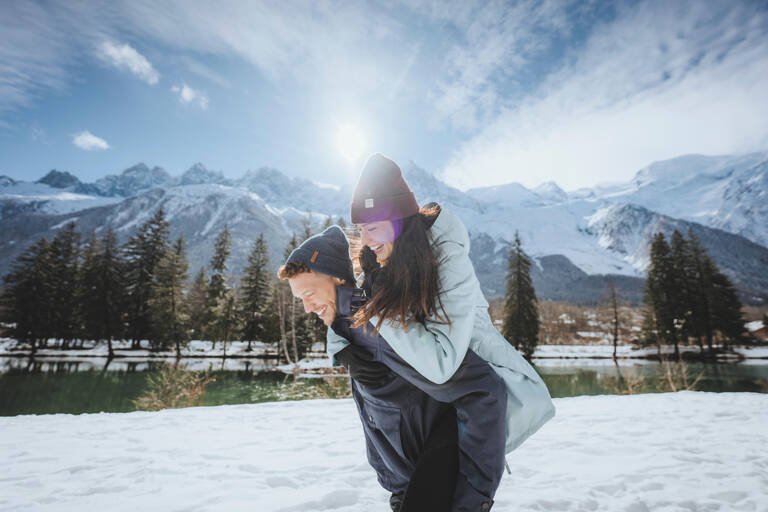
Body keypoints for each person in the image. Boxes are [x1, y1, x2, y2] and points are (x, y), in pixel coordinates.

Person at [326, 153, 557, 507]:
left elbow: (441, 363)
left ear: (399, 220)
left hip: (466, 406)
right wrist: (344, 348)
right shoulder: (374, 264)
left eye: (373, 226)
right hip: (414, 416)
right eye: (361, 228)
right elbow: (344, 321)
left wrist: (379, 314)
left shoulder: (447, 258)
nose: (366, 238)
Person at [278, 226, 508, 511]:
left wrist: (472, 497)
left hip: (434, 481)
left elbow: (485, 390)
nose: (308, 308)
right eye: (300, 299)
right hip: (407, 482)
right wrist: (395, 486)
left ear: (337, 278)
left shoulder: (381, 326)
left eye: (309, 294)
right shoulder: (348, 330)